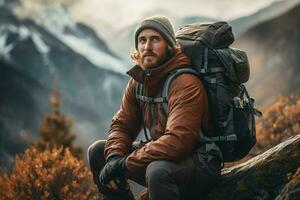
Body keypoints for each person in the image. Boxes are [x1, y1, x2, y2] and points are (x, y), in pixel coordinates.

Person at [87, 16, 222, 200]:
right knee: (98, 152)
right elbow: (122, 125)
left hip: (200, 163)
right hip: (163, 157)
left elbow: (178, 142)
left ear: (169, 45)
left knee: (157, 171)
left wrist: (124, 164)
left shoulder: (185, 83)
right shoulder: (139, 82)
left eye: (155, 39)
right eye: (142, 40)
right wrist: (113, 159)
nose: (147, 46)